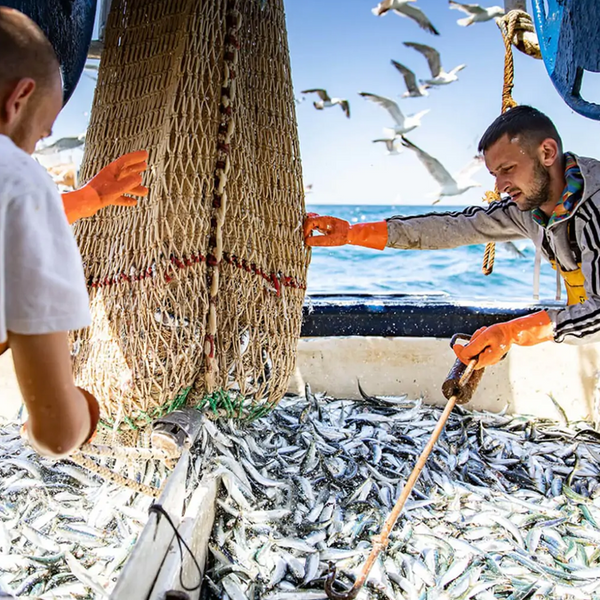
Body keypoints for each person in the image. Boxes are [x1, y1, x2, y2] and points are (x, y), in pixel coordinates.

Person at [304, 105, 600, 369]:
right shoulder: (525, 209)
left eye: (507, 169)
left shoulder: (595, 209)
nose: (499, 187)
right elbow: (454, 227)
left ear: (547, 153)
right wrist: (352, 233)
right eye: (494, 174)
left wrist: (510, 333)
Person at [0, 7, 148, 456]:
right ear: (18, 99)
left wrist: (88, 198)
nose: (35, 149)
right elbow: (57, 432)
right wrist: (84, 411)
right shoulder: (22, 182)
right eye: (42, 136)